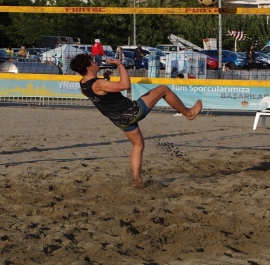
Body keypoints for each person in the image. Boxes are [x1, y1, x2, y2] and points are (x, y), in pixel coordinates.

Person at [70, 53, 202, 188]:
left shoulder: (83, 85)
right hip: (132, 111)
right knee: (163, 89)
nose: (95, 62)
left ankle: (137, 180)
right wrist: (120, 65)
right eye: (92, 62)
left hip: (119, 120)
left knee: (138, 146)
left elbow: (98, 92)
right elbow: (125, 85)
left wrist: (105, 78)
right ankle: (189, 113)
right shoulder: (98, 84)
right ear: (89, 68)